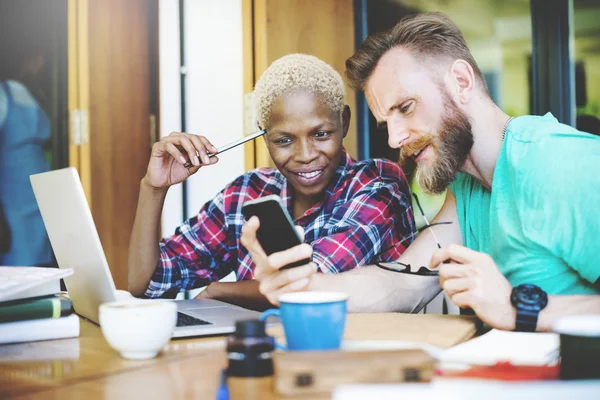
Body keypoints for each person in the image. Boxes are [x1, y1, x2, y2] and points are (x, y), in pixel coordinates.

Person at [242, 13, 600, 331]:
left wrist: (517, 308)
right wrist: (304, 287)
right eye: (387, 123)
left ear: (461, 82)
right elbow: (404, 281)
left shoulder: (558, 163)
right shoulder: (467, 187)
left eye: (406, 108)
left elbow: (512, 310)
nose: (397, 138)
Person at [128, 54, 415, 310]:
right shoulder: (248, 192)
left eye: (321, 134)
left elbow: (306, 286)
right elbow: (148, 283)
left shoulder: (378, 183)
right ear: (265, 138)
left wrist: (219, 291)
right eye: (284, 140)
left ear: (344, 123)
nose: (305, 155)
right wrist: (153, 187)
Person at [0, 34, 53, 266]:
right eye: (40, 59)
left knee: (40, 267)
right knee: (20, 269)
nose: (43, 65)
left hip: (37, 198)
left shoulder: (30, 92)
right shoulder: (6, 91)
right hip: (13, 202)